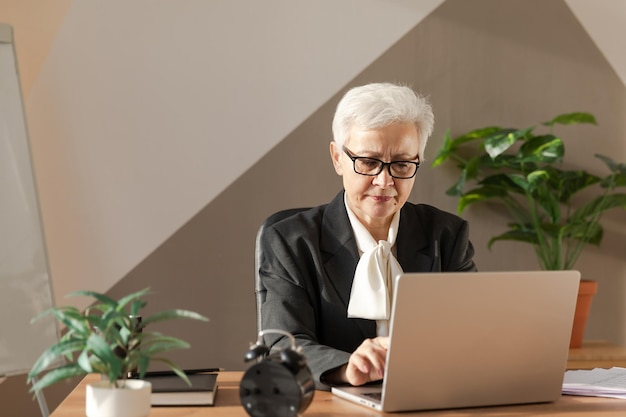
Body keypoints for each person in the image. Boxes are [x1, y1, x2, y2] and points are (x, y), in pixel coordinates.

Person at [258, 82, 476, 390]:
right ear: (337, 158)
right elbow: (281, 345)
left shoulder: (447, 235)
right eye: (369, 162)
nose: (384, 181)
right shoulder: (290, 241)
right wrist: (348, 368)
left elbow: (472, 333)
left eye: (401, 164)